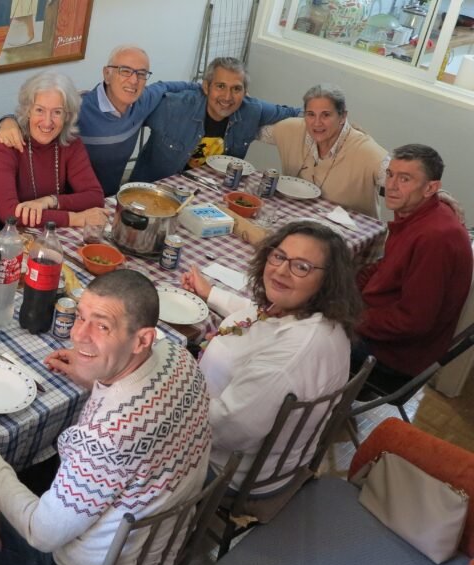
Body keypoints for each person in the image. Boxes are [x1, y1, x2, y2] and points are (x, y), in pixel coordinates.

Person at [0, 270, 212, 565]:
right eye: (80, 317)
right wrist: (95, 376)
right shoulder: (178, 356)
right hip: (157, 545)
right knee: (29, 465)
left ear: (142, 339)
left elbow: (40, 532)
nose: (79, 335)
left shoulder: (107, 438)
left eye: (102, 326)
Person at [181, 221, 362, 492]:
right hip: (260, 452)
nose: (280, 270)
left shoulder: (292, 355)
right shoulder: (315, 314)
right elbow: (257, 312)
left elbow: (228, 428)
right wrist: (211, 293)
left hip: (225, 468)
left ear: (328, 280)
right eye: (278, 256)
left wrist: (171, 402)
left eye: (301, 267)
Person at [0, 45, 198, 196]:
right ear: (107, 74)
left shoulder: (143, 100)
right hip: (66, 203)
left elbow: (167, 86)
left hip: (108, 198)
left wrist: (203, 87)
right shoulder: (81, 105)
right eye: (125, 71)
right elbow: (39, 116)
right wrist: (7, 121)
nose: (134, 80)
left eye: (141, 74)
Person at [352, 144, 473, 394]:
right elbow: (385, 267)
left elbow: (413, 321)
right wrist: (347, 287)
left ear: (430, 188)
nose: (392, 186)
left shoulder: (435, 238)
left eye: (405, 179)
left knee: (307, 335)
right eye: (391, 174)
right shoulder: (415, 212)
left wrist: (351, 317)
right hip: (379, 325)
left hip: (393, 359)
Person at [0, 71, 108, 229]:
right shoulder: (5, 145)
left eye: (57, 112)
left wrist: (50, 201)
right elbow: (10, 214)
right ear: (28, 110)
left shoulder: (71, 143)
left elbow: (95, 196)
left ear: (67, 115)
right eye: (39, 110)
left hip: (48, 230)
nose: (47, 122)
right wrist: (75, 218)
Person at [130, 57, 300, 183]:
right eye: (220, 86)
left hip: (212, 195)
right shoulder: (172, 107)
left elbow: (294, 113)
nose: (227, 97)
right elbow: (128, 113)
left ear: (245, 92)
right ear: (206, 87)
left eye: (236, 89)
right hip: (155, 191)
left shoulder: (251, 110)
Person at [258, 84, 387, 218]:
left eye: (326, 115)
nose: (317, 123)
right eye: (311, 114)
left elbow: (402, 180)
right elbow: (253, 129)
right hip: (298, 219)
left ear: (342, 116)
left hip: (352, 233)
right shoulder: (293, 129)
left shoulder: (365, 150)